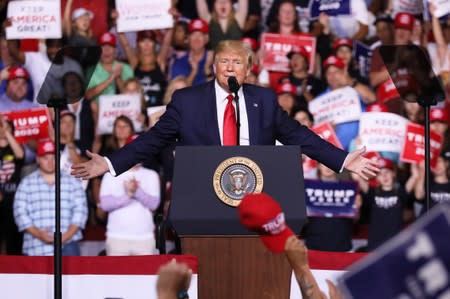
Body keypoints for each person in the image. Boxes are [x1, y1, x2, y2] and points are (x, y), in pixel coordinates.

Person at [71, 40, 378, 184]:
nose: (230, 67)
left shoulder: (265, 100)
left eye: (237, 62)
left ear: (248, 69)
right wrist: (111, 163)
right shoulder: (187, 100)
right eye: (224, 61)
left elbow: (299, 135)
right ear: (214, 66)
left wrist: (342, 158)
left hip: (255, 193)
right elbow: (153, 140)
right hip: (203, 195)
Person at [14, 139, 88, 256]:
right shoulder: (26, 184)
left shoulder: (72, 182)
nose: (50, 162)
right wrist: (39, 234)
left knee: (71, 274)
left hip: (68, 246)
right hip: (35, 246)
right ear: (38, 159)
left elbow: (80, 212)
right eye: (45, 158)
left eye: (53, 157)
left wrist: (66, 236)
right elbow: (20, 214)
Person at [0, 117, 24, 254]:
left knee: (13, 239)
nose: (3, 129)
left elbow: (20, 155)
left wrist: (7, 132)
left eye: (7, 127)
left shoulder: (16, 147)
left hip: (13, 200)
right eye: (1, 127)